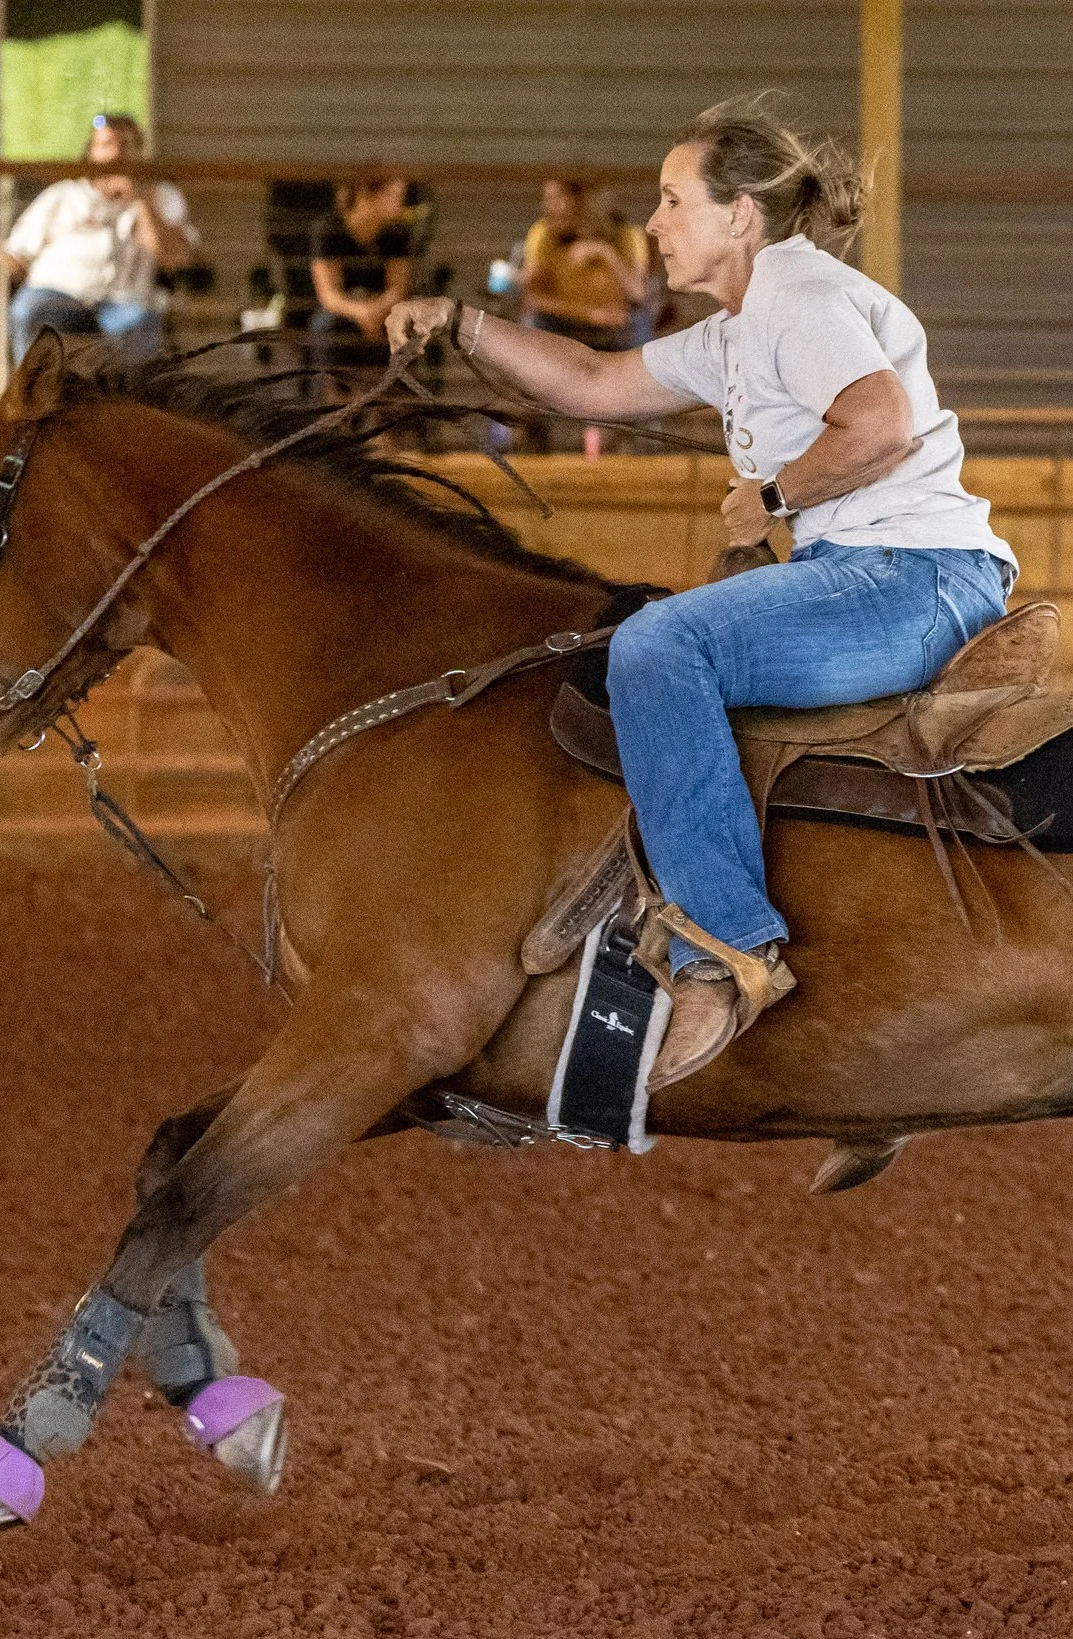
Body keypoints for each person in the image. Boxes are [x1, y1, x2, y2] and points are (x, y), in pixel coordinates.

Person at [384, 96, 1017, 1087]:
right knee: (656, 640)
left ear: (740, 215)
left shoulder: (797, 299)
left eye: (674, 200)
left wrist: (771, 495)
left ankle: (722, 952)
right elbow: (594, 382)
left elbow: (879, 423)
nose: (654, 223)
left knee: (660, 646)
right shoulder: (738, 330)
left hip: (912, 577)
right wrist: (464, 324)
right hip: (885, 574)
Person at [0, 113, 194, 365]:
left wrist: (141, 201)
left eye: (126, 145)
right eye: (106, 145)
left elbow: (176, 257)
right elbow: (18, 253)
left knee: (142, 325)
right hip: (55, 294)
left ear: (141, 153)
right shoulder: (63, 195)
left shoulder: (161, 197)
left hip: (124, 302)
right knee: (27, 312)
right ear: (90, 154)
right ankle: (34, 389)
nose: (117, 154)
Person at [522, 179, 655, 350]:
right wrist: (589, 314)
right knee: (533, 321)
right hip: (565, 322)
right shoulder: (546, 235)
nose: (551, 208)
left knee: (638, 319)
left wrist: (606, 252)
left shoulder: (627, 235)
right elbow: (531, 298)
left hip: (613, 325)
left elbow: (638, 293)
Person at [308, 176, 415, 375]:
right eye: (393, 195)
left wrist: (378, 309)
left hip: (384, 307)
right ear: (365, 195)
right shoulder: (329, 229)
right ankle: (333, 388)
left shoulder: (398, 232)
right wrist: (362, 313)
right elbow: (328, 295)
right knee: (326, 326)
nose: (400, 203)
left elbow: (398, 288)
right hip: (343, 310)